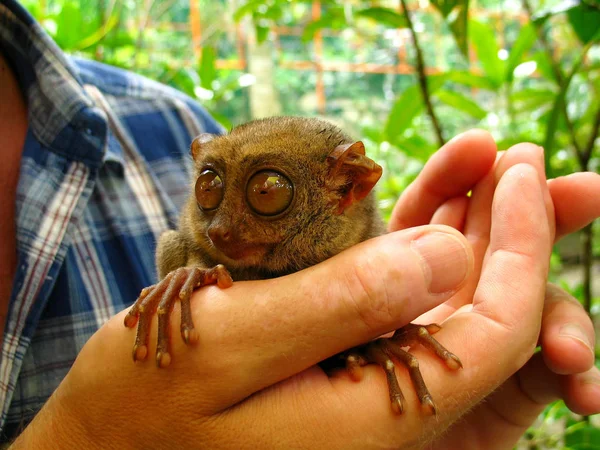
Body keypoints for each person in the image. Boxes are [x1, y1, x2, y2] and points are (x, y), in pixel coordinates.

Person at [1, 0, 599, 447]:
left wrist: (417, 415)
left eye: (267, 193)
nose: (225, 228)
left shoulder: (163, 114)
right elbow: (190, 243)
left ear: (347, 186)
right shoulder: (189, 229)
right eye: (211, 186)